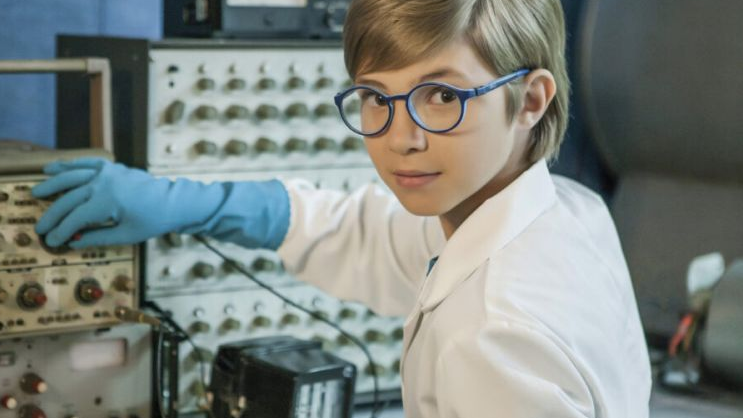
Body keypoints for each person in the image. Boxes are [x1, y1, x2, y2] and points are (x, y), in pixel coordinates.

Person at [32, 0, 651, 416]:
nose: (400, 136)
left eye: (441, 95)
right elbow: (366, 235)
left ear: (531, 100)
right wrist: (195, 203)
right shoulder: (565, 209)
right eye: (376, 97)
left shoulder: (494, 336)